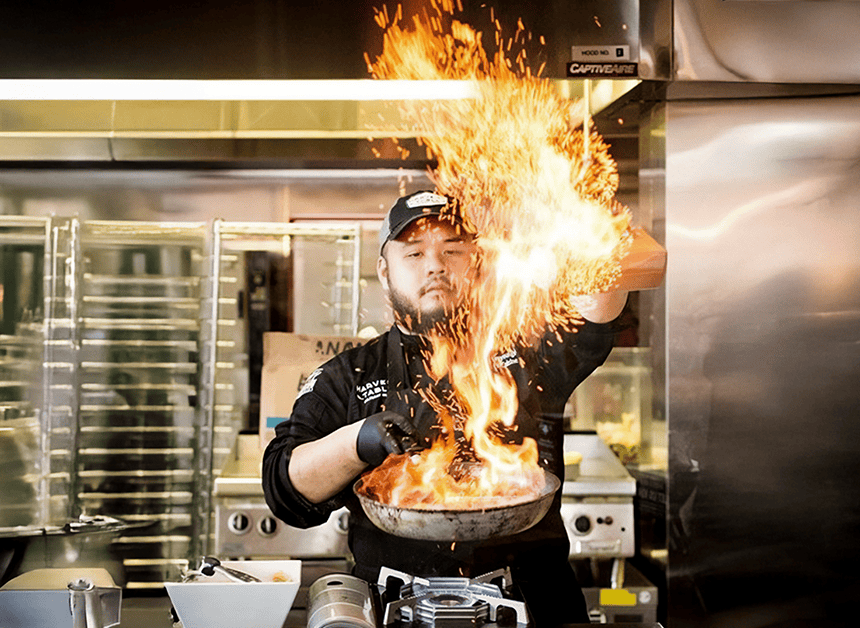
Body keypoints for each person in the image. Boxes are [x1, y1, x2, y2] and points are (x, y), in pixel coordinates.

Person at [262, 190, 628, 625]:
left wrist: (594, 230)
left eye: (452, 250)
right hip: (394, 606)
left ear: (476, 261)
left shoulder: (527, 350)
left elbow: (598, 311)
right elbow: (284, 486)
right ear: (384, 269)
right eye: (414, 252)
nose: (435, 264)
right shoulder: (351, 375)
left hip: (534, 602)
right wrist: (357, 442)